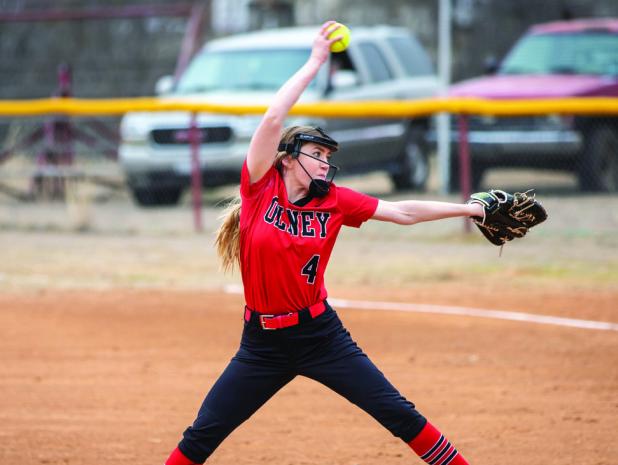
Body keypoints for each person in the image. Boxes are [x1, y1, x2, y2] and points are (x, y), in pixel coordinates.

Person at [164, 21, 482, 465]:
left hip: (321, 336)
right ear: (291, 159)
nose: (326, 163)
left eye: (330, 158)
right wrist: (316, 60)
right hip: (261, 344)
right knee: (204, 433)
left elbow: (401, 212)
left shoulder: (334, 202)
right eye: (318, 154)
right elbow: (274, 118)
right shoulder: (261, 186)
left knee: (398, 414)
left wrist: (469, 209)